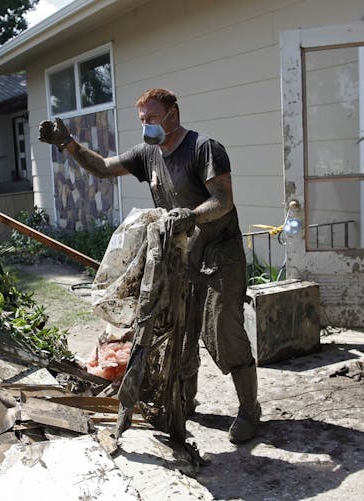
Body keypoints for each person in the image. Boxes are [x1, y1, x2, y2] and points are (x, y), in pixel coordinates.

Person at [38, 88, 260, 444]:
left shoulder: (204, 148)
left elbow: (222, 199)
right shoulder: (148, 154)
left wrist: (191, 214)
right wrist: (69, 144)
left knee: (223, 329)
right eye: (142, 120)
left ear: (173, 113)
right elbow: (104, 168)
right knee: (180, 330)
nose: (147, 126)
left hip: (220, 253)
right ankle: (185, 400)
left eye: (153, 118)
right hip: (183, 256)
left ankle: (250, 409)